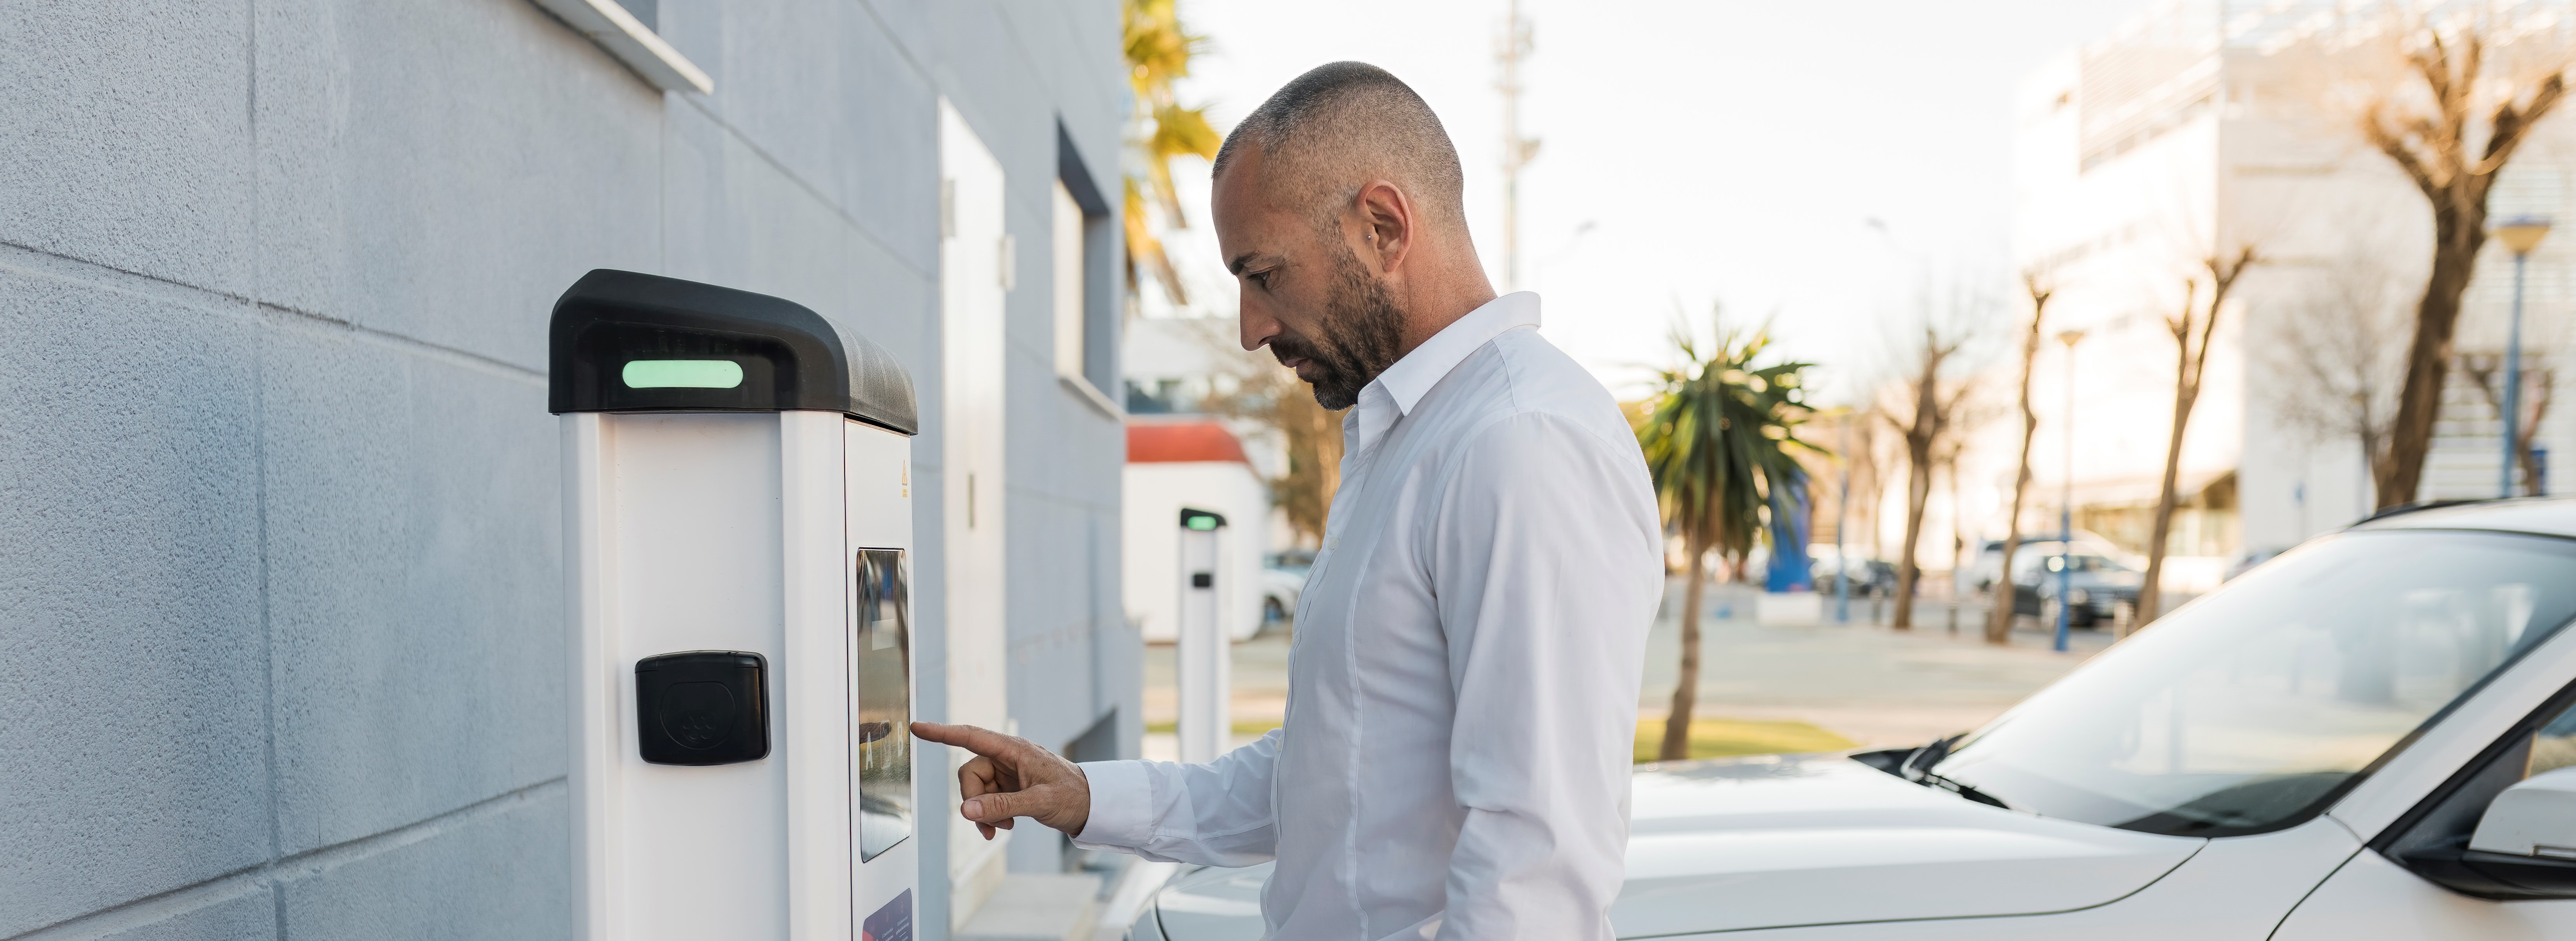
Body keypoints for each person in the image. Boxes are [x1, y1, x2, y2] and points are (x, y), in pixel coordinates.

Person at [914, 61, 1663, 940]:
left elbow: (1536, 872)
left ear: (1384, 225)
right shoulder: (1416, 437)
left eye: (1263, 274)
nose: (1250, 328)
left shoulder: (1518, 441)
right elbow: (1335, 777)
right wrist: (1084, 796)